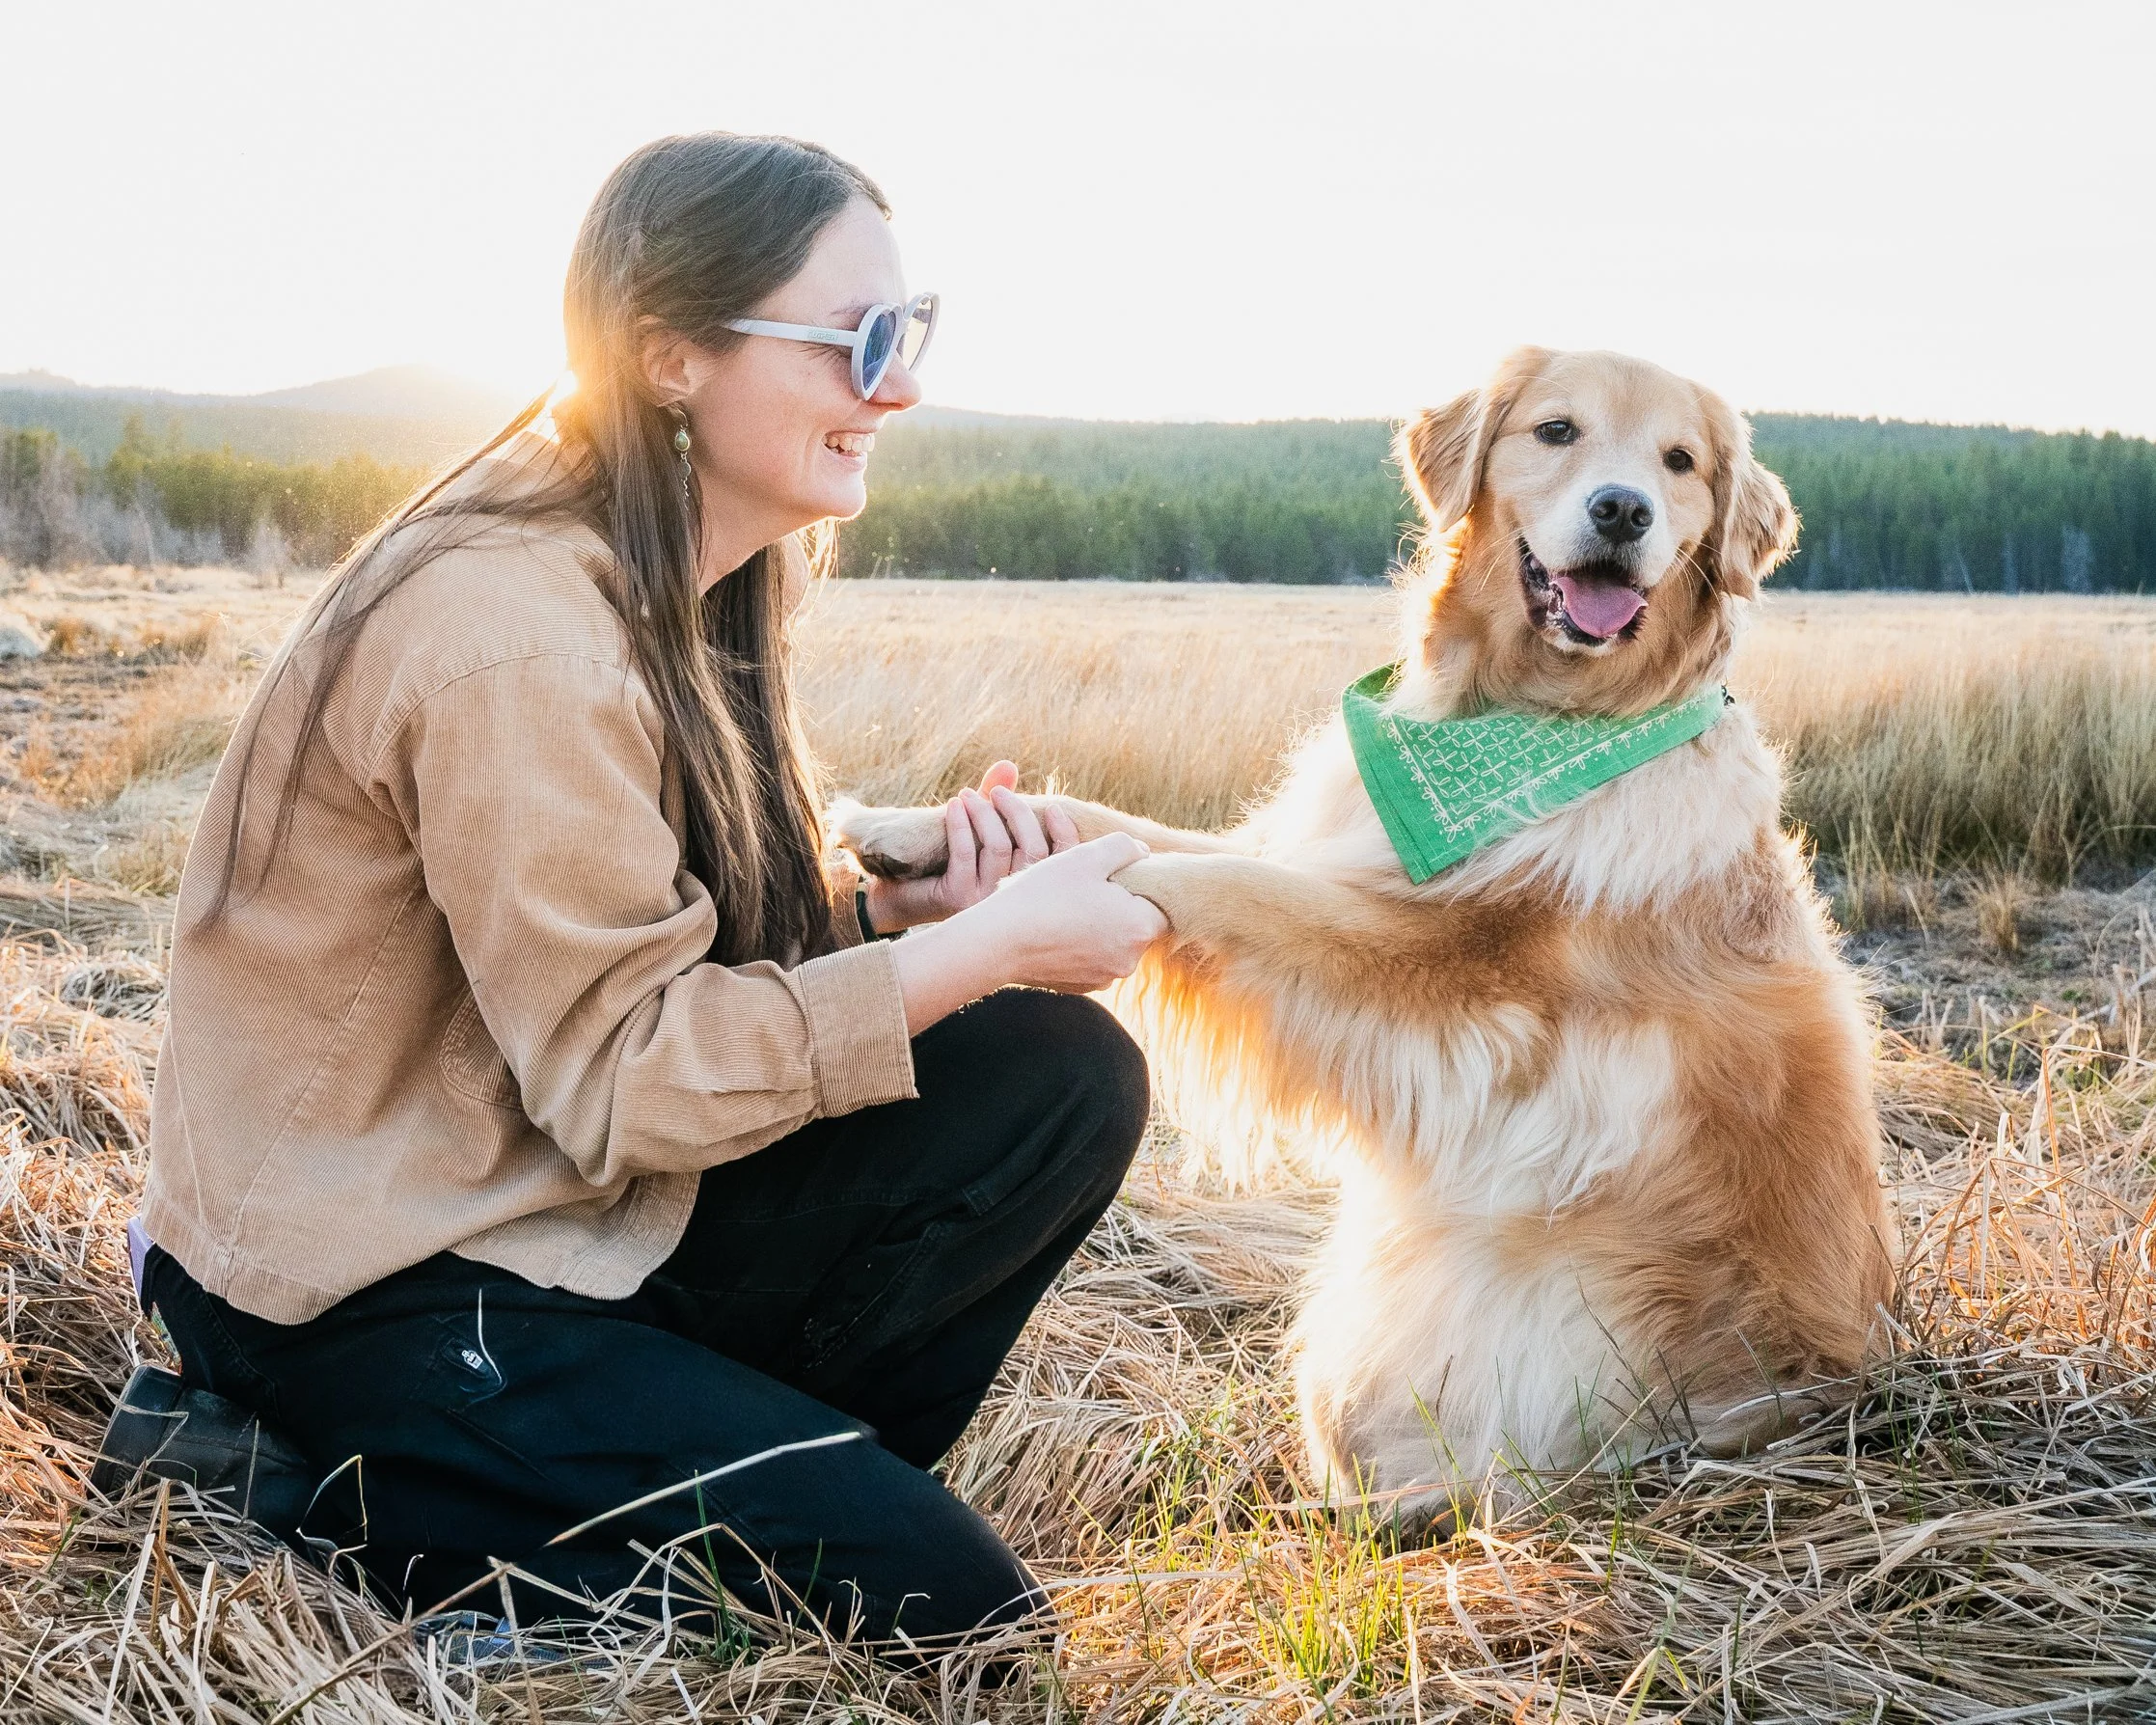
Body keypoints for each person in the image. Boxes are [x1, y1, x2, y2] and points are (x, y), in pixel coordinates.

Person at [110, 131, 1167, 1650]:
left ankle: (688, 1468)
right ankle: (320, 1482)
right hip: (369, 1289)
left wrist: (898, 923)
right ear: (671, 356)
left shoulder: (685, 573)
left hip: (551, 1205)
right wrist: (993, 943)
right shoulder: (513, 635)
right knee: (956, 1623)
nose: (903, 387)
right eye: (862, 341)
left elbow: (663, 942)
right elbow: (629, 1078)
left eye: (911, 331)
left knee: (1050, 1073)